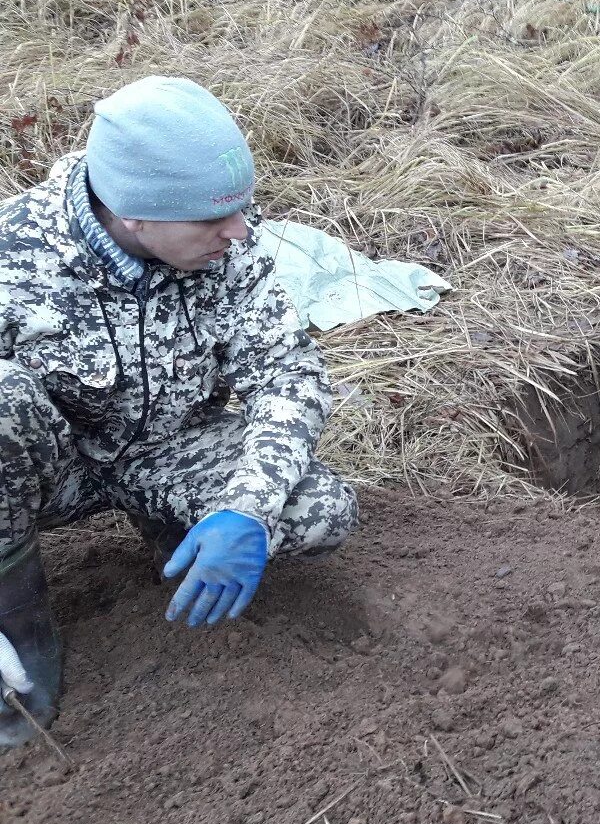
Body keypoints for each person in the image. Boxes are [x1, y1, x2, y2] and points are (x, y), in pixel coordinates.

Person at [0, 76, 359, 747]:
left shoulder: (228, 247)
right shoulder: (14, 253)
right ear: (134, 213)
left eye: (242, 210)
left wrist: (245, 507)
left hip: (170, 448)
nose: (239, 232)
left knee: (319, 512)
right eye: (211, 220)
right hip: (54, 468)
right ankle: (17, 624)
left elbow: (288, 372)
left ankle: (177, 529)